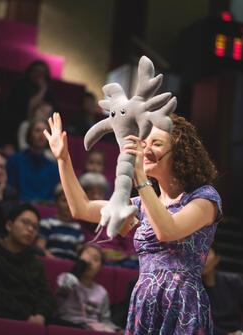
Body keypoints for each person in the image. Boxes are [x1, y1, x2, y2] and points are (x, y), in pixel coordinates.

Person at [44, 112, 222, 334]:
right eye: (144, 143)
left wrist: (139, 176)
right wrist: (63, 159)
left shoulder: (205, 198)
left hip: (182, 302)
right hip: (145, 300)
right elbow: (81, 208)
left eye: (156, 143)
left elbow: (167, 230)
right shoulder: (143, 203)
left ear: (180, 152)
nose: (145, 150)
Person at [0, 203, 56, 324]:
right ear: (9, 225)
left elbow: (46, 295)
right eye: (26, 223)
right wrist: (27, 317)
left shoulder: (35, 263)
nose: (31, 229)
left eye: (35, 227)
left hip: (35, 321)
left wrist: (40, 316)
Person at [56, 244, 120, 332]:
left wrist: (116, 330)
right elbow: (65, 287)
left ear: (100, 268)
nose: (90, 261)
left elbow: (105, 320)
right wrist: (81, 265)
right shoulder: (66, 278)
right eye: (87, 255)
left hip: (93, 329)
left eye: (96, 259)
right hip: (67, 325)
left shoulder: (102, 292)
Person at [79, 172, 137, 268]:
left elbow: (129, 248)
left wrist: (122, 255)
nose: (97, 197)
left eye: (100, 193)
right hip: (91, 260)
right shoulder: (79, 217)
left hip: (118, 261)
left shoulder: (114, 215)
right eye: (92, 193)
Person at [6, 119, 59, 202]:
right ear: (29, 134)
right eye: (37, 131)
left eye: (45, 132)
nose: (41, 135)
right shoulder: (15, 160)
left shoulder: (53, 168)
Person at [36, 183, 84, 260]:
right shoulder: (47, 223)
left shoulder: (77, 227)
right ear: (56, 202)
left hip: (70, 265)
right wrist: (55, 261)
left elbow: (79, 251)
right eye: (64, 200)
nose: (68, 205)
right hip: (51, 262)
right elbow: (40, 247)